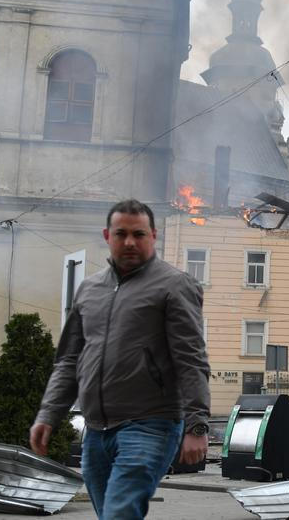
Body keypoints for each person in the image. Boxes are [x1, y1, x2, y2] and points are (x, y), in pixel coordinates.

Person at [30, 199, 211, 520]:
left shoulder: (174, 285)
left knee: (119, 514)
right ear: (107, 236)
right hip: (96, 431)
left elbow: (191, 358)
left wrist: (196, 424)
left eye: (138, 234)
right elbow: (69, 360)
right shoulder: (89, 289)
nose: (129, 242)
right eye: (121, 234)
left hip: (151, 425)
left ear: (153, 236)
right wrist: (48, 413)